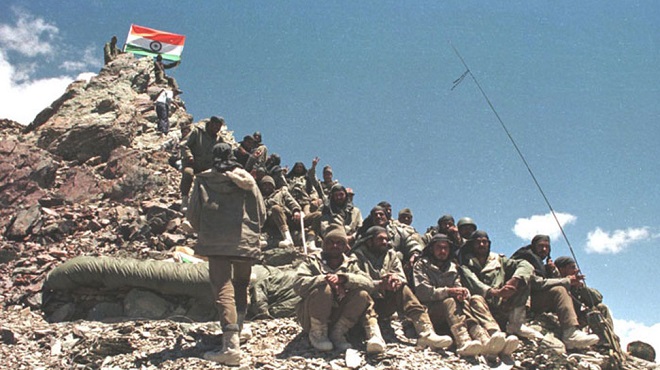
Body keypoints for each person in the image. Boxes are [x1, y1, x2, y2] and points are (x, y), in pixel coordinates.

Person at [186, 143, 266, 365]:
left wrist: (205, 228)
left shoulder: (204, 180)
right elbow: (262, 212)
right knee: (241, 284)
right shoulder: (248, 181)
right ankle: (239, 328)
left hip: (215, 242)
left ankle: (230, 346)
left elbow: (193, 215)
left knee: (222, 287)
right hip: (244, 242)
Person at [414, 234, 519, 358]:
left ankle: (492, 336)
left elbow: (457, 286)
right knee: (450, 301)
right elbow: (423, 292)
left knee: (476, 299)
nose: (443, 251)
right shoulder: (421, 265)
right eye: (439, 247)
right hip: (432, 311)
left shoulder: (453, 267)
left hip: (455, 311)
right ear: (431, 249)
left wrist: (462, 294)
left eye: (446, 248)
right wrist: (449, 291)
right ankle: (463, 341)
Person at [351, 226, 453, 350]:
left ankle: (426, 331)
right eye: (380, 239)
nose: (385, 242)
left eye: (386, 239)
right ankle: (374, 335)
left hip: (384, 302)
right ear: (369, 241)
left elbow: (401, 275)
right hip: (361, 305)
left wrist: (394, 279)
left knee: (402, 288)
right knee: (361, 294)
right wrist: (378, 284)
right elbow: (354, 280)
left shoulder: (391, 255)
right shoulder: (356, 255)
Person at [293, 224, 386, 354]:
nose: (335, 246)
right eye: (331, 242)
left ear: (344, 246)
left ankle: (338, 333)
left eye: (339, 243)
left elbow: (369, 283)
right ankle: (318, 333)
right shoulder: (312, 261)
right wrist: (325, 280)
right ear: (324, 244)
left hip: (339, 314)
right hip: (312, 315)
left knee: (362, 294)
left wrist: (344, 280)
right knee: (324, 289)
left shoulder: (350, 263)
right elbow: (297, 284)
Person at [510, 235, 599, 349]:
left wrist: (552, 271)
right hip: (521, 301)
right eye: (541, 246)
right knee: (559, 291)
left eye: (547, 247)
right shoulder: (526, 258)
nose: (544, 250)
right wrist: (567, 280)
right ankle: (570, 335)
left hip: (533, 299)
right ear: (533, 246)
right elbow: (537, 283)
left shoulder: (539, 262)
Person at [458, 230, 543, 341]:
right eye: (478, 242)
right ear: (472, 245)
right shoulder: (466, 264)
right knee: (476, 299)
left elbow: (525, 265)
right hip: (482, 306)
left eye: (485, 242)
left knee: (523, 280)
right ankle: (494, 333)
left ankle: (516, 325)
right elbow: (475, 284)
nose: (482, 245)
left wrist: (514, 280)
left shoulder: (499, 260)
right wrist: (497, 292)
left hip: (502, 303)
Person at [554, 255, 617, 346]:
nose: (576, 270)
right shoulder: (556, 281)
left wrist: (581, 287)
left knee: (601, 308)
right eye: (572, 267)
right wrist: (567, 283)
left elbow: (597, 299)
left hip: (577, 318)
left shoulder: (577, 285)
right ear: (562, 269)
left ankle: (608, 341)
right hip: (562, 319)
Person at [180, 116, 224, 211]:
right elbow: (184, 145)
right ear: (211, 124)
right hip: (193, 163)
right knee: (188, 174)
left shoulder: (218, 139)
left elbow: (224, 151)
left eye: (219, 127)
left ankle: (207, 204)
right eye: (215, 126)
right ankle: (184, 199)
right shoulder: (197, 132)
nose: (217, 129)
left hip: (207, 167)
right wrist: (189, 156)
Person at [259, 175, 302, 248]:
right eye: (264, 184)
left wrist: (296, 211)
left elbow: (292, 202)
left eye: (269, 184)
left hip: (286, 217)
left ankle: (288, 238)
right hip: (269, 222)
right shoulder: (259, 198)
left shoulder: (281, 193)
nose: (267, 186)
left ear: (273, 186)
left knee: (317, 215)